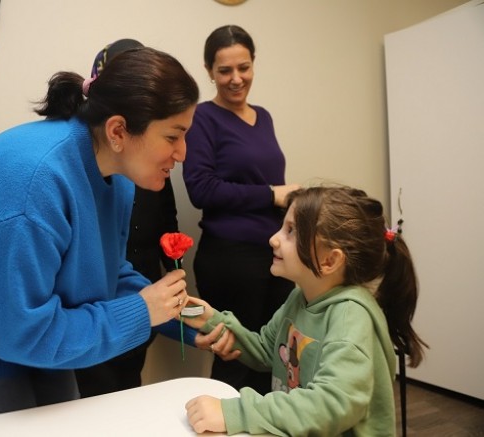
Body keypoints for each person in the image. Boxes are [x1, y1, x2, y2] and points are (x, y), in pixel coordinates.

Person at [0, 47, 201, 424]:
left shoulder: (117, 176)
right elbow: (20, 335)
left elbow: (108, 273)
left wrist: (184, 315)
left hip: (30, 334)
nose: (183, 153)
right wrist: (141, 311)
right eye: (173, 136)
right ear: (118, 131)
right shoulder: (29, 183)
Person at [183, 185, 428, 436]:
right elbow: (268, 350)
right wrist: (212, 321)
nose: (274, 238)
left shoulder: (350, 318)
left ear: (330, 260)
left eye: (291, 231)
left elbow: (331, 404)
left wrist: (236, 413)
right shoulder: (300, 298)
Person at [182, 24, 300, 394]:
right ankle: (218, 420)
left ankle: (265, 421)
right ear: (209, 71)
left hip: (275, 254)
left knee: (275, 356)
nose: (236, 79)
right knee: (234, 357)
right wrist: (271, 194)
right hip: (231, 258)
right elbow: (201, 188)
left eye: (244, 67)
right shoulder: (202, 118)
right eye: (225, 70)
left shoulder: (263, 116)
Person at [74, 39, 182, 397]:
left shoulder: (151, 164)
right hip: (94, 304)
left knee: (129, 385)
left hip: (140, 276)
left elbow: (166, 215)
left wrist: (172, 272)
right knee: (94, 390)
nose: (179, 152)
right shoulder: (79, 166)